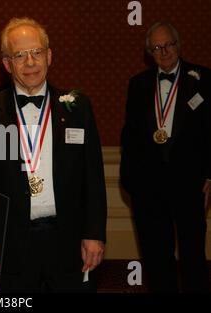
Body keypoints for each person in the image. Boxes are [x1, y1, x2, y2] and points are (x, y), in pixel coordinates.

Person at [0, 17, 107, 292]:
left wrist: (94, 234)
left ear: (49, 56)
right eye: (20, 55)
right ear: (7, 64)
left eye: (37, 52)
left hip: (68, 240)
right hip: (10, 243)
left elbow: (93, 176)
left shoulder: (77, 106)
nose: (30, 62)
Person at [120, 21, 211, 293]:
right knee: (156, 259)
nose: (164, 52)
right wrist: (131, 181)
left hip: (191, 185)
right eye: (157, 47)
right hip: (149, 189)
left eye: (169, 44)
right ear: (149, 52)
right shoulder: (137, 84)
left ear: (178, 44)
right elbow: (130, 135)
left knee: (193, 256)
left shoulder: (204, 79)